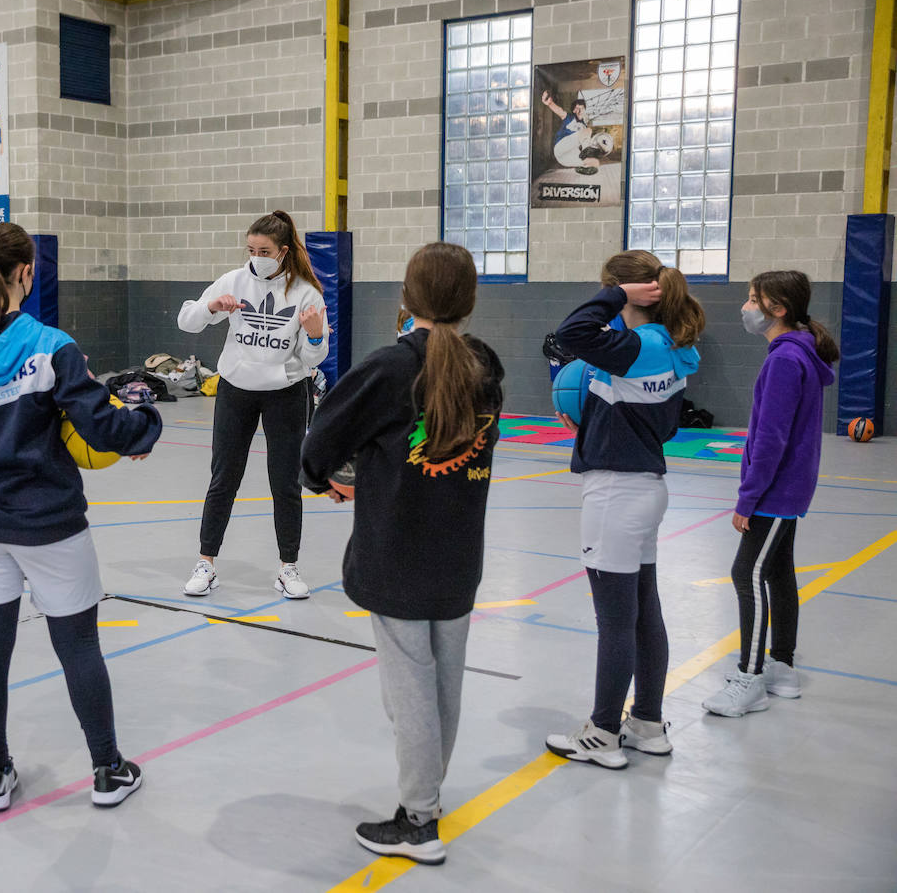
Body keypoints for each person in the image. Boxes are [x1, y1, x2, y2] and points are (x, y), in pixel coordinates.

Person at [0, 223, 162, 811]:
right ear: (26, 274)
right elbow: (103, 426)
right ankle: (107, 770)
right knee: (78, 647)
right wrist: (145, 418)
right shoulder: (50, 346)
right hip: (51, 525)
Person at [301, 242, 503, 865]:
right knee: (442, 686)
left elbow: (317, 448)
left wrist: (328, 479)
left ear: (406, 298)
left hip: (397, 555)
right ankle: (426, 799)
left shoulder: (388, 368)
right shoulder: (486, 365)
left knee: (411, 695)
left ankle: (419, 821)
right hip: (458, 556)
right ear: (469, 302)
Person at [545, 249, 704, 769]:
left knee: (615, 620)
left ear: (632, 293)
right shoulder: (670, 347)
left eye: (613, 291)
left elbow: (572, 333)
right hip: (642, 486)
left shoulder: (637, 345)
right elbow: (654, 417)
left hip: (615, 492)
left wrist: (613, 296)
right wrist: (591, 417)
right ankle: (648, 724)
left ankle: (603, 732)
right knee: (642, 614)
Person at [702, 271, 837, 717]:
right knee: (778, 574)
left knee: (747, 575)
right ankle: (783, 666)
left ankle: (751, 676)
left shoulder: (784, 360)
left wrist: (748, 498)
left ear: (777, 309)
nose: (747, 306)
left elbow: (771, 439)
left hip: (775, 492)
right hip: (787, 489)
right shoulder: (796, 352)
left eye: (753, 298)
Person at [177, 210, 329, 600]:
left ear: (282, 251)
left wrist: (313, 337)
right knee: (223, 478)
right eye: (250, 249)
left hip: (286, 394)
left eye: (264, 250)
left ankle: (287, 568)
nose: (256, 255)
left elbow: (313, 359)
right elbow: (187, 321)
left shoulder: (306, 293)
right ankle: (205, 564)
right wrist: (213, 308)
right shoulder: (234, 279)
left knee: (285, 484)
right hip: (236, 391)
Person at [540, 90, 609, 175]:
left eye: (582, 108)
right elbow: (559, 111)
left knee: (596, 163)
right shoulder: (569, 118)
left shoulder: (584, 126)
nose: (579, 111)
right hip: (560, 148)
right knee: (588, 131)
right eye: (577, 108)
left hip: (565, 160)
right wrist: (550, 103)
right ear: (573, 111)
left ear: (584, 110)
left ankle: (582, 167)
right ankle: (585, 152)